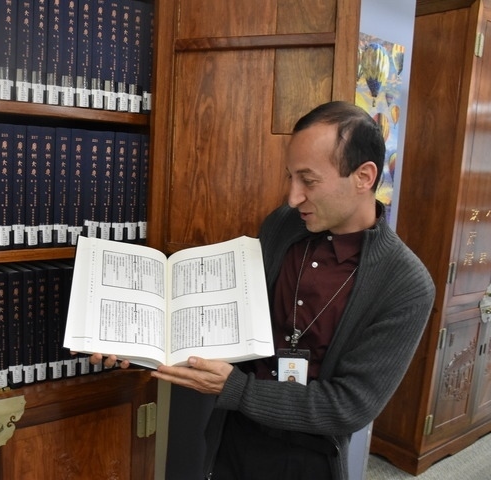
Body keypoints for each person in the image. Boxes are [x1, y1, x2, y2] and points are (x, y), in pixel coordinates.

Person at [91, 101, 435, 480]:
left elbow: (349, 406)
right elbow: (233, 320)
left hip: (309, 457)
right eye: (291, 177)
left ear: (364, 176)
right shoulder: (284, 226)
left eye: (309, 181)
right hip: (231, 435)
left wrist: (237, 390)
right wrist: (137, 341)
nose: (293, 197)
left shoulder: (406, 285)